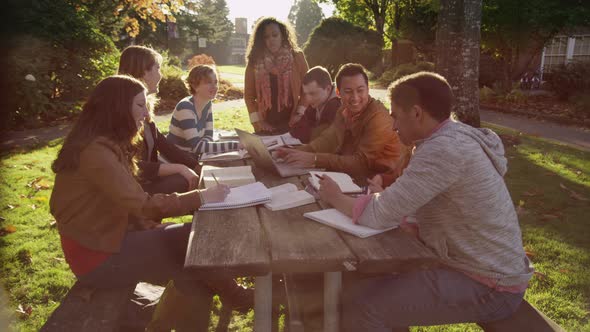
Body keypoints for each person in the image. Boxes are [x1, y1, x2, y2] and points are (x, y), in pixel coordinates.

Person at [317, 71, 534, 331]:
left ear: (417, 113)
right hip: (481, 269)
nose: (394, 125)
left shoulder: (444, 150)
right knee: (358, 286)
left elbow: (379, 214)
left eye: (396, 116)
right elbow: (409, 203)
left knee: (366, 307)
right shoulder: (450, 139)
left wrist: (334, 197)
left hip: (490, 284)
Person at [49, 76, 249, 331]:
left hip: (104, 240)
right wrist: (201, 197)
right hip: (95, 256)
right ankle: (232, 295)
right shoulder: (95, 152)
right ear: (118, 108)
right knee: (192, 241)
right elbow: (142, 203)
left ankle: (211, 304)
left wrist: (142, 224)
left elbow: (120, 200)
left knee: (191, 259)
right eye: (141, 106)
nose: (146, 114)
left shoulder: (104, 143)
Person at [277, 63, 402, 183]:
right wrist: (297, 151)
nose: (355, 97)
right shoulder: (343, 110)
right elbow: (328, 140)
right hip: (355, 176)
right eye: (348, 91)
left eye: (360, 90)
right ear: (338, 93)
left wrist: (314, 159)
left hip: (381, 181)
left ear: (368, 89)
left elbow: (361, 163)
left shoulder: (378, 117)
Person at [118, 45, 200, 195]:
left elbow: (164, 145)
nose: (161, 75)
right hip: (133, 190)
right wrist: (180, 168)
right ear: (143, 72)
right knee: (187, 180)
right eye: (157, 68)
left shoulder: (144, 108)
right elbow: (126, 165)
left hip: (146, 181)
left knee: (195, 171)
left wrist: (196, 165)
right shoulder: (123, 113)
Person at [244, 17, 309, 134]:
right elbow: (249, 96)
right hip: (265, 125)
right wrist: (258, 122)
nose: (271, 40)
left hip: (293, 123)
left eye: (275, 35)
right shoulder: (254, 61)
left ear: (282, 36)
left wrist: (299, 113)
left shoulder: (297, 56)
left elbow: (307, 90)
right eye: (266, 37)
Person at [167, 64, 240, 156]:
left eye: (215, 82)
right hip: (175, 160)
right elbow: (197, 147)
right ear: (195, 86)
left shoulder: (207, 104)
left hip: (193, 157)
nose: (214, 87)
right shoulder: (185, 107)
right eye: (208, 82)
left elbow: (209, 136)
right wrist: (236, 145)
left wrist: (203, 145)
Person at [289, 66, 340, 143]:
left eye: (312, 93)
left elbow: (320, 137)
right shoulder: (317, 101)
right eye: (306, 94)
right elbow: (299, 127)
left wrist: (307, 130)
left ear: (328, 89)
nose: (308, 99)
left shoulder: (335, 105)